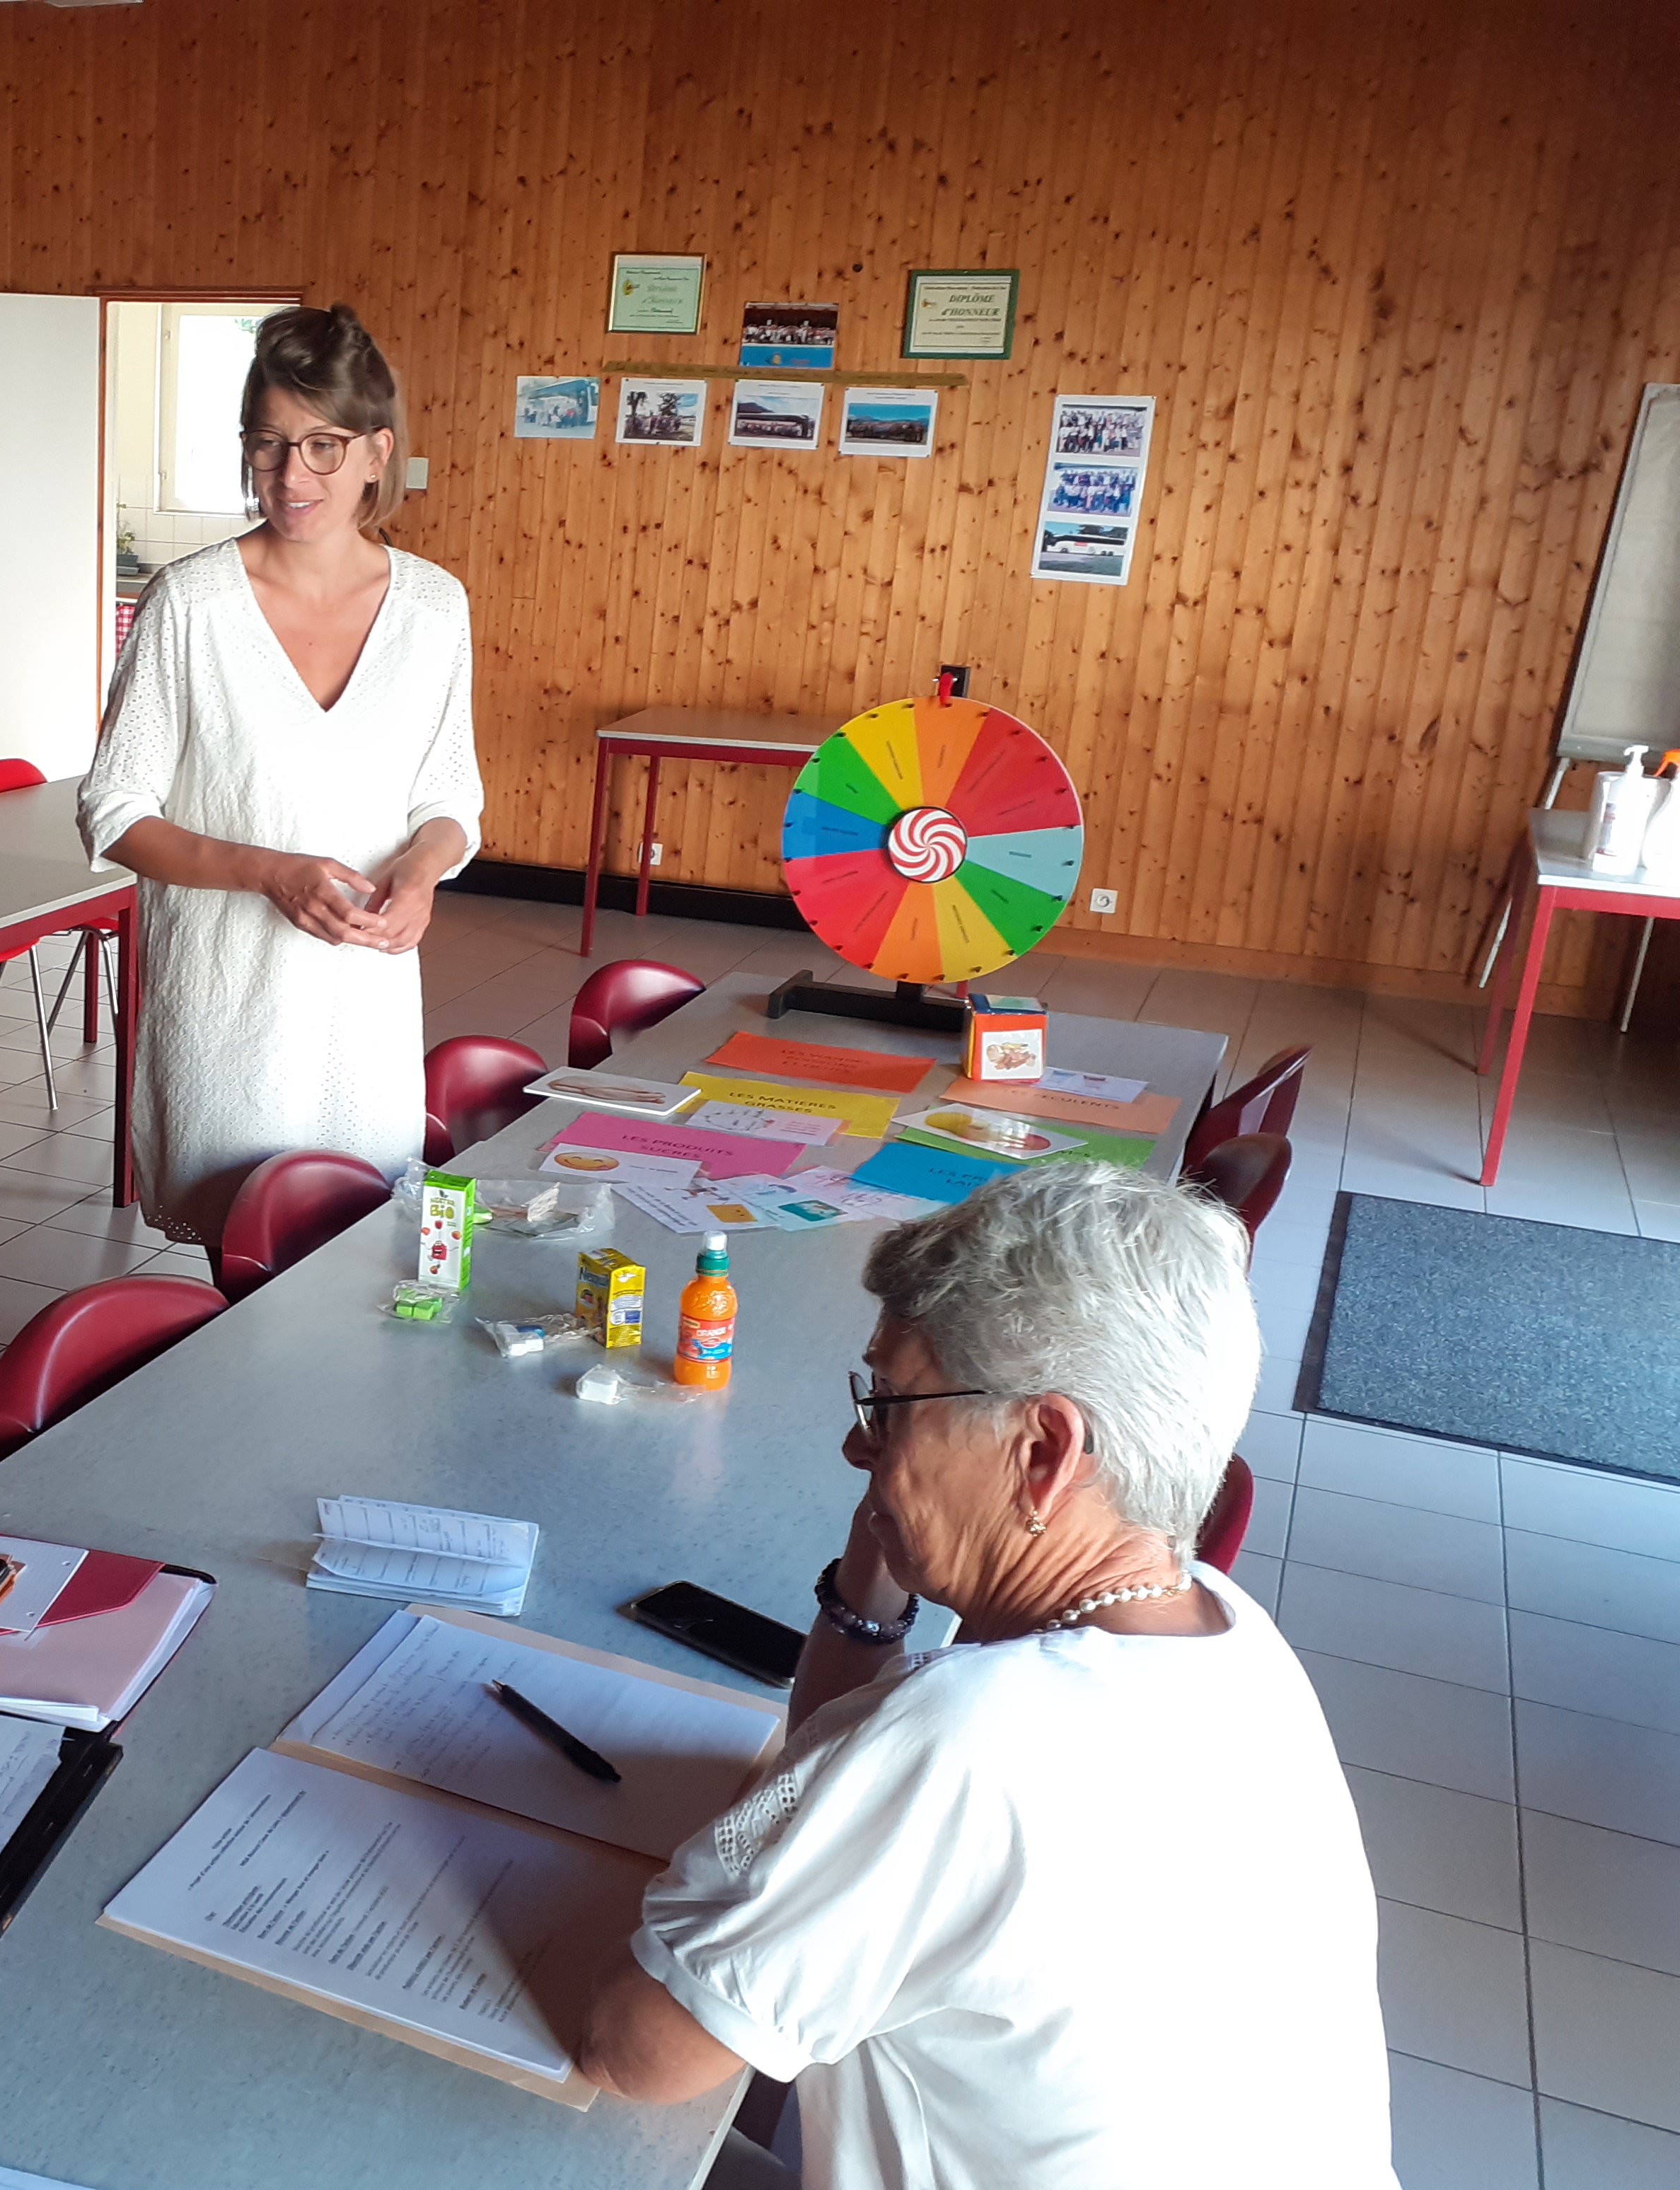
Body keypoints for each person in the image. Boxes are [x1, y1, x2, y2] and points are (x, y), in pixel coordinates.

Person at [574, 1163, 1395, 2190]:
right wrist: (884, 1529)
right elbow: (847, 1750)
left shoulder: (968, 1739)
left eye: (894, 1402)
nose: (854, 1439)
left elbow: (634, 2052)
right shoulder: (1236, 1635)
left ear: (1044, 1449)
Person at [79, 302, 482, 1251]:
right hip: (230, 1012)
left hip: (366, 1017)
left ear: (378, 452)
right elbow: (113, 811)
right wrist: (271, 873)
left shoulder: (433, 608)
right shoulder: (192, 606)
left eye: (323, 446)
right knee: (242, 1262)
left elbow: (450, 797)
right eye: (267, 445)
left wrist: (422, 872)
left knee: (358, 1266)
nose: (291, 476)